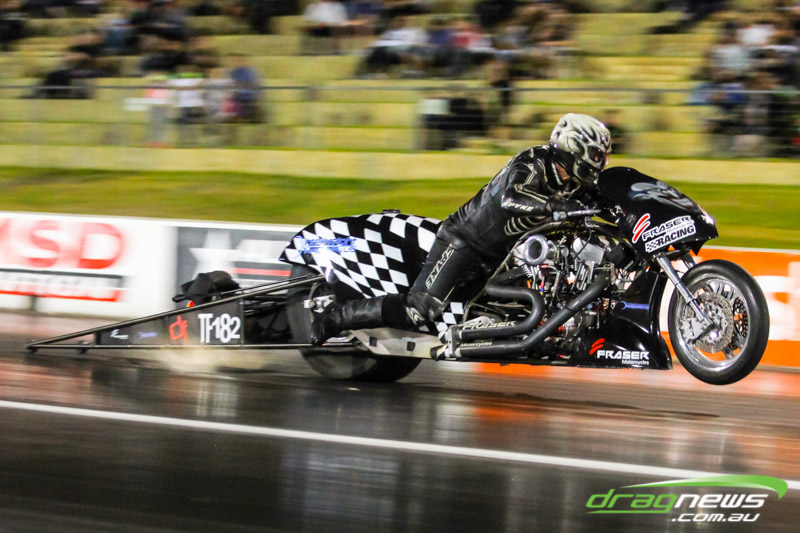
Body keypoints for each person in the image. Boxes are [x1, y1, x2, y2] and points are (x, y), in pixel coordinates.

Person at [309, 113, 612, 348]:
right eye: (596, 155)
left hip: (502, 258)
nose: (600, 162)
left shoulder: (573, 183)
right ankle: (335, 318)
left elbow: (602, 201)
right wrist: (555, 206)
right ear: (574, 148)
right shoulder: (533, 162)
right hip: (464, 241)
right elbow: (511, 198)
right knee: (420, 310)